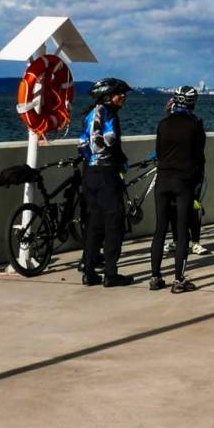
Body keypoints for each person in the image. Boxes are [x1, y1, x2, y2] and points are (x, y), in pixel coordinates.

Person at [150, 85, 206, 292]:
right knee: (182, 231)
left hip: (163, 180)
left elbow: (158, 152)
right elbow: (199, 155)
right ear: (193, 103)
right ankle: (178, 280)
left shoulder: (163, 123)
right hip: (184, 181)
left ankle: (155, 277)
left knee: (160, 229)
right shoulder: (195, 124)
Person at [79, 76, 133, 287]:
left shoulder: (90, 114)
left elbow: (83, 146)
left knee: (94, 223)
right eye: (120, 94)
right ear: (108, 96)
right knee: (114, 223)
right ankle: (111, 274)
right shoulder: (109, 115)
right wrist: (121, 161)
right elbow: (111, 143)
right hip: (106, 174)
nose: (124, 97)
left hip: (90, 173)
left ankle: (89, 271)